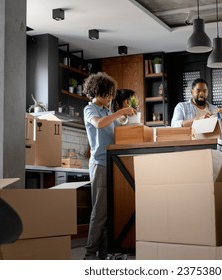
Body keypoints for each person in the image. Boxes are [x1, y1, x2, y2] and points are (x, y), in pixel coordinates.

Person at [82, 72, 136, 260]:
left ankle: (105, 253)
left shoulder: (105, 110)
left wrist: (122, 120)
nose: (111, 97)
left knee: (109, 211)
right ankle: (89, 254)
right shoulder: (91, 110)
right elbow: (98, 125)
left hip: (111, 163)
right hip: (100, 163)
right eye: (108, 94)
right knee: (100, 212)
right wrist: (120, 112)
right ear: (97, 91)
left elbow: (110, 130)